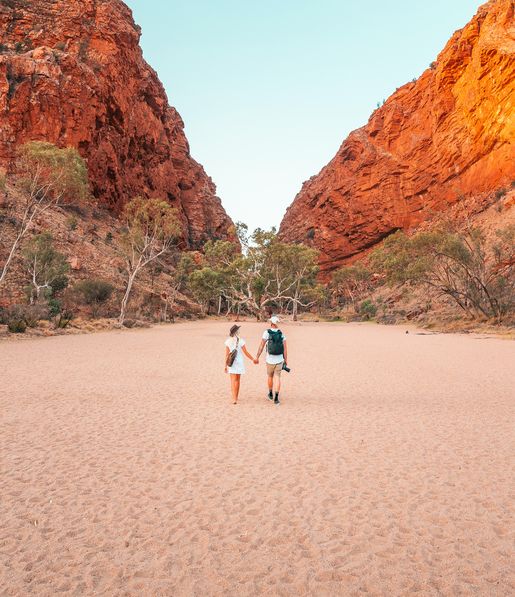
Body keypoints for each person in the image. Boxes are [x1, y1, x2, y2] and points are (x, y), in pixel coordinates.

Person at [256, 315, 287, 405]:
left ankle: (270, 393)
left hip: (269, 360)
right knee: (277, 377)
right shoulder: (281, 333)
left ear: (271, 323)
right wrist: (286, 360)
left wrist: (257, 356)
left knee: (270, 376)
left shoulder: (266, 332)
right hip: (279, 359)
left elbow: (261, 345)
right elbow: (285, 349)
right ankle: (276, 398)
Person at [224, 324, 258, 405]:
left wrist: (225, 366)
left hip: (231, 363)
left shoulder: (228, 341)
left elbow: (226, 355)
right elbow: (246, 352)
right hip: (239, 362)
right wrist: (253, 359)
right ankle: (236, 397)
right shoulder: (240, 340)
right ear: (236, 332)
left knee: (232, 380)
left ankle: (234, 398)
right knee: (237, 380)